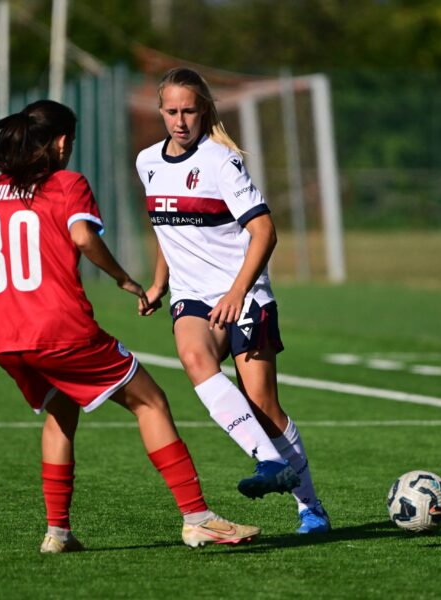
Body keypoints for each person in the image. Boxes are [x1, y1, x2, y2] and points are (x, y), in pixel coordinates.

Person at [0, 99, 260, 553]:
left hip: (8, 342)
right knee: (151, 402)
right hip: (62, 332)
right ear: (59, 142)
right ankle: (198, 518)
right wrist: (123, 279)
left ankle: (57, 533)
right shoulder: (66, 183)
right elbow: (81, 236)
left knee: (60, 413)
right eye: (70, 141)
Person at [135, 67, 331, 534]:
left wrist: (238, 291)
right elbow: (167, 225)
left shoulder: (222, 161)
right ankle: (267, 460)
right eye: (171, 111)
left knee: (263, 405)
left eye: (189, 111)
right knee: (192, 354)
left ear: (204, 110)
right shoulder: (147, 162)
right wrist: (160, 283)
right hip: (191, 296)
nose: (180, 121)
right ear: (159, 110)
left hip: (242, 292)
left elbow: (264, 230)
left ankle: (311, 508)